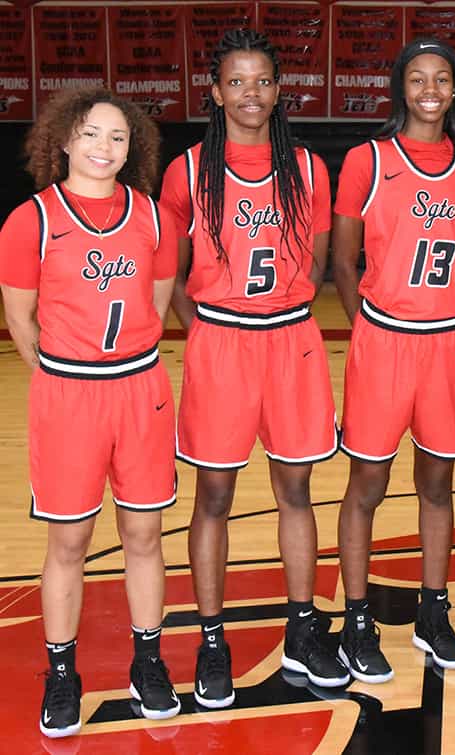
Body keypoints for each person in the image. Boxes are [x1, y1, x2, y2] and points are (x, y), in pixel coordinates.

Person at [159, 28, 345, 705]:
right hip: (223, 343)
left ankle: (303, 626)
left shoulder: (308, 169)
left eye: (261, 81)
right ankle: (213, 640)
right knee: (214, 496)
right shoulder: (186, 170)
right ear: (215, 92)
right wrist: (203, 326)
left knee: (297, 491)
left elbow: (320, 262)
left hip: (290, 341)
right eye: (235, 82)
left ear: (277, 90)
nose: (250, 93)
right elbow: (168, 272)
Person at [0, 87, 181, 736]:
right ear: (64, 140)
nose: (104, 148)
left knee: (145, 535)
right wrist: (62, 376)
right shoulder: (31, 220)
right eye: (92, 134)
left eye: (118, 137)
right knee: (69, 540)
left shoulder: (154, 218)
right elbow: (20, 321)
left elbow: (157, 308)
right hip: (69, 396)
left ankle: (149, 660)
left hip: (139, 391)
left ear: (134, 149)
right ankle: (61, 670)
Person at [332, 38, 455, 682]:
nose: (428, 88)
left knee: (438, 485)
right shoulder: (368, 160)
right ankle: (356, 618)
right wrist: (365, 319)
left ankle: (433, 610)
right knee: (367, 483)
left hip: (449, 343)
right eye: (416, 77)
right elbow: (341, 259)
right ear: (401, 86)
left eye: (440, 78)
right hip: (384, 339)